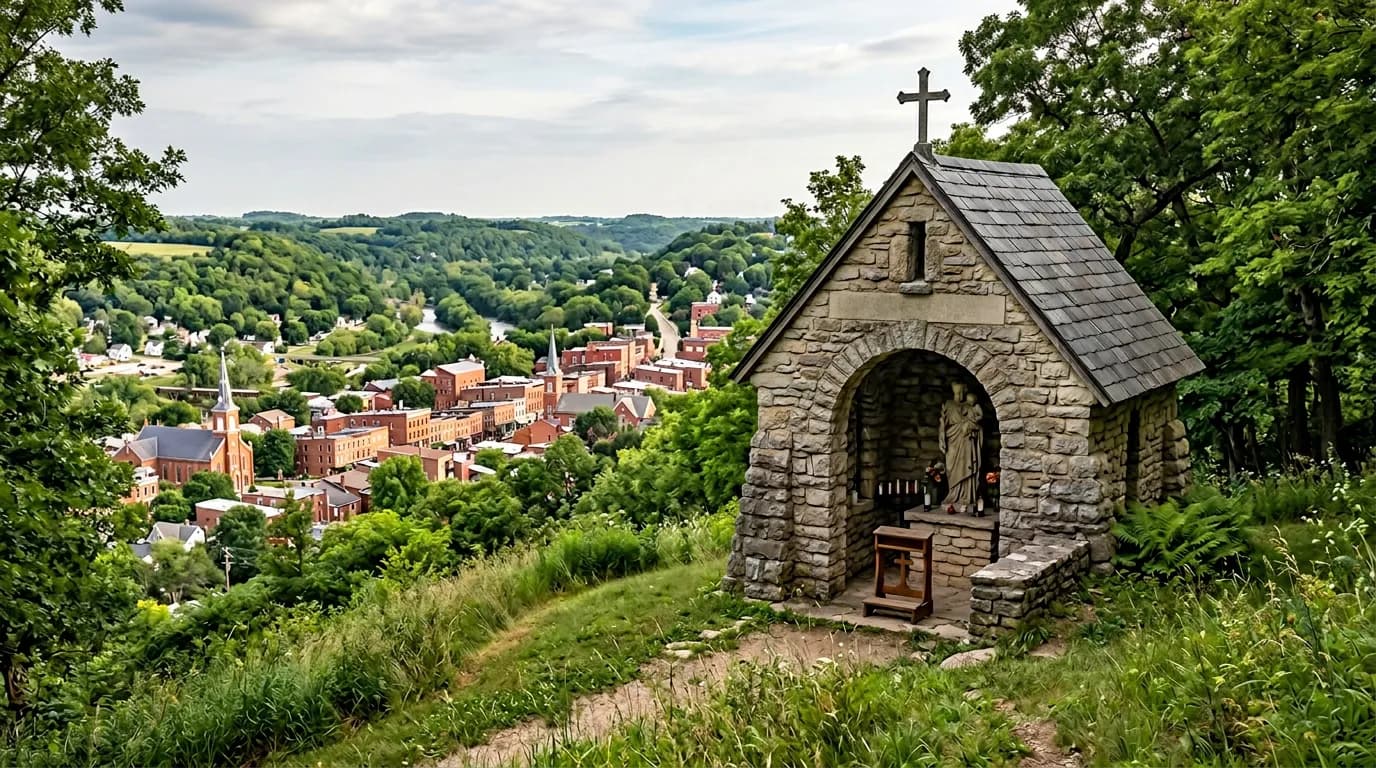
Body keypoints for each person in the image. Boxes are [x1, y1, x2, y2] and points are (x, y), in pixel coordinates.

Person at [938, 381, 983, 514]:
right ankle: (952, 495)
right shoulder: (948, 404)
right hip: (952, 440)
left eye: (961, 392)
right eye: (957, 392)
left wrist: (970, 427)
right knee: (951, 468)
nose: (959, 395)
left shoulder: (970, 406)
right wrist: (941, 438)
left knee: (966, 467)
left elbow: (977, 423)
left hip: (966, 442)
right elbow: (942, 423)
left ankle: (966, 498)